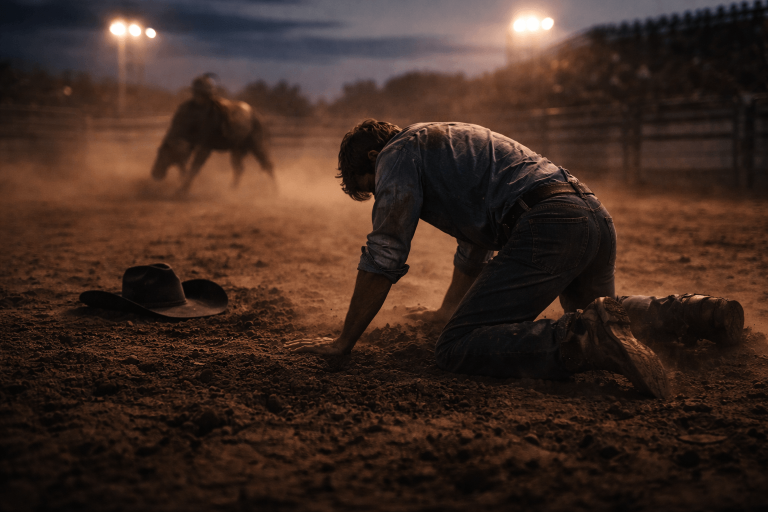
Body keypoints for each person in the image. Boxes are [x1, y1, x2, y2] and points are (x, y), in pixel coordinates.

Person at [285, 120, 744, 399]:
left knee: (455, 346)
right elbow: (474, 244)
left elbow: (386, 249)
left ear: (373, 156)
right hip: (590, 215)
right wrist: (448, 309)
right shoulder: (445, 140)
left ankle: (586, 339)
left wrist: (343, 342)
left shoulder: (396, 155)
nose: (378, 192)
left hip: (549, 225)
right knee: (605, 314)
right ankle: (695, 312)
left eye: (370, 185)